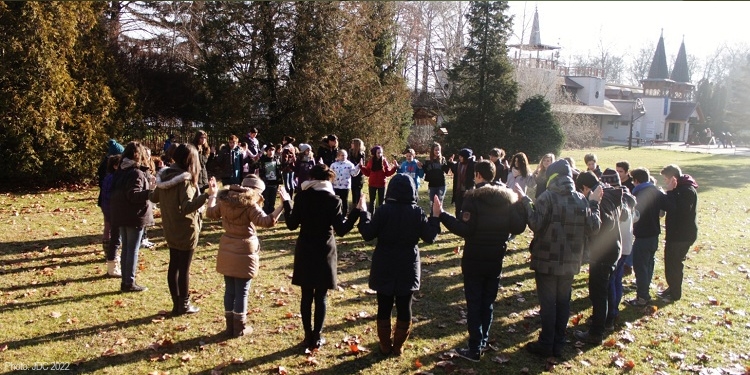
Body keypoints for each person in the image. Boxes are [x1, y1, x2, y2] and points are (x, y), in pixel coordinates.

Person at [436, 160, 526, 361]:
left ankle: (475, 346)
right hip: (495, 258)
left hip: (474, 258)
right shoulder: (506, 199)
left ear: (477, 175)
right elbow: (519, 227)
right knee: (488, 301)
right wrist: (520, 204)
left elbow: (465, 229)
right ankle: (482, 340)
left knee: (475, 302)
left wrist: (442, 215)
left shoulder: (472, 198)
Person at [517, 159, 602, 358]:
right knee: (563, 302)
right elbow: (594, 227)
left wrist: (525, 202)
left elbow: (536, 224)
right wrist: (593, 204)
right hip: (571, 260)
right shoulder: (581, 199)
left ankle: (547, 343)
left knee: (548, 303)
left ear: (552, 177)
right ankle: (559, 342)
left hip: (546, 259)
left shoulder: (547, 197)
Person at [357, 174, 440, 356]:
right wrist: (435, 216)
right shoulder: (416, 211)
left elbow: (368, 233)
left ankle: (386, 345)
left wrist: (364, 213)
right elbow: (430, 237)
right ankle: (397, 345)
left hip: (385, 261)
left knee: (384, 304)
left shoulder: (384, 210)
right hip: (407, 263)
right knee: (404, 305)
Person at [281, 164, 360, 351]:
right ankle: (317, 337)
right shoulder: (334, 200)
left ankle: (308, 335)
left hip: (306, 248)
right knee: (321, 296)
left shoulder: (302, 196)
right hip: (324, 250)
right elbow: (341, 230)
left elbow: (292, 224)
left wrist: (286, 201)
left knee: (306, 294)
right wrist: (357, 211)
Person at [206, 175, 286, 337]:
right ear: (255, 191)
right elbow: (267, 221)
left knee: (229, 290)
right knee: (242, 291)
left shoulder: (225, 199)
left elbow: (210, 212)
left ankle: (230, 327)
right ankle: (240, 327)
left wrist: (212, 194)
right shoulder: (250, 204)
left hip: (227, 246)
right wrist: (282, 206)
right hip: (245, 249)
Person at [150, 144, 215, 316]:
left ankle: (177, 304)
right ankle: (183, 305)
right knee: (183, 269)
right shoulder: (185, 180)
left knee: (174, 266)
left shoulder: (164, 177)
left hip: (170, 226)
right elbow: (187, 207)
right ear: (190, 160)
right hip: (186, 229)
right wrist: (207, 194)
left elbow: (154, 196)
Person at [573, 171, 622, 345]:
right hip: (613, 249)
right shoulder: (609, 193)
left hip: (603, 253)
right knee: (606, 289)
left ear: (585, 188)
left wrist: (592, 205)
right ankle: (607, 322)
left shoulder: (599, 199)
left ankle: (596, 333)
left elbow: (603, 225)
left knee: (598, 293)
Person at [110, 141, 155, 292]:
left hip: (121, 214)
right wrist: (150, 192)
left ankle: (126, 281)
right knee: (132, 250)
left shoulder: (121, 171)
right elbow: (133, 195)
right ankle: (129, 282)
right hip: (134, 215)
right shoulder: (136, 172)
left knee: (126, 249)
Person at [601, 169, 637, 330]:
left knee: (611, 281)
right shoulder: (628, 196)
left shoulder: (615, 199)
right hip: (626, 245)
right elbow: (636, 217)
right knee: (617, 279)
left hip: (617, 246)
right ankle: (613, 311)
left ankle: (611, 313)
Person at [626, 168, 666, 307]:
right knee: (649, 264)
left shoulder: (638, 195)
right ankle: (645, 291)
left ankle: (642, 296)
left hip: (643, 235)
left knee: (640, 266)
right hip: (654, 235)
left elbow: (635, 216)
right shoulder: (657, 192)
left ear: (636, 181)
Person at [659, 165, 698, 302]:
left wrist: (669, 192)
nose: (665, 182)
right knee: (670, 263)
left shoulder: (686, 190)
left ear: (673, 179)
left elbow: (678, 210)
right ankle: (672, 288)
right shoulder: (679, 189)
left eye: (666, 179)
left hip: (681, 235)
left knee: (674, 264)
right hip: (675, 234)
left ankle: (675, 294)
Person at [98, 139, 124, 273]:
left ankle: (109, 253)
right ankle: (109, 254)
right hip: (109, 203)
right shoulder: (110, 175)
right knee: (110, 228)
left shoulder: (107, 170)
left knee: (108, 227)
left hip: (106, 201)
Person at [101, 154, 122, 277]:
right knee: (113, 235)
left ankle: (110, 255)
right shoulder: (113, 179)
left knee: (109, 231)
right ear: (115, 166)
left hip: (108, 208)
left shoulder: (108, 178)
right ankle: (111, 257)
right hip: (112, 210)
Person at [360, 146, 397, 212]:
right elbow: (368, 173)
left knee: (381, 201)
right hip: (372, 184)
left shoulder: (384, 161)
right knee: (372, 201)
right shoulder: (371, 161)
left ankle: (381, 215)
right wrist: (361, 167)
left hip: (382, 184)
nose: (380, 154)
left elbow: (388, 173)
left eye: (381, 153)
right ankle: (371, 216)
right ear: (375, 153)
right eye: (378, 153)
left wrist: (395, 168)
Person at [422, 142, 451, 217]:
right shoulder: (428, 160)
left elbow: (446, 170)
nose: (437, 152)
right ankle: (432, 218)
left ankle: (440, 219)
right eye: (436, 150)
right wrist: (421, 166)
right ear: (432, 151)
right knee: (432, 203)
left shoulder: (442, 159)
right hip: (432, 185)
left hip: (441, 184)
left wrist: (449, 163)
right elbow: (425, 171)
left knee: (439, 202)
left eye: (439, 150)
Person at [446, 148, 476, 217]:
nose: (459, 158)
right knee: (458, 209)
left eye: (461, 157)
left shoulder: (472, 165)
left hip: (467, 190)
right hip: (458, 190)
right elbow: (455, 172)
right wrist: (450, 163)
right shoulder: (458, 164)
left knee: (467, 209)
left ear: (466, 158)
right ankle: (457, 221)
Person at [330, 149, 361, 215]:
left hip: (345, 186)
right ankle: (336, 214)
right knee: (336, 200)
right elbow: (330, 174)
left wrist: (358, 166)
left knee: (344, 200)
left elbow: (354, 173)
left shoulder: (349, 164)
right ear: (338, 156)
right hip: (336, 185)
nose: (344, 157)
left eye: (345, 155)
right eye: (342, 155)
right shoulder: (333, 165)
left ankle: (344, 214)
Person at [258, 146, 283, 214]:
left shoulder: (277, 159)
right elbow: (259, 169)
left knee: (272, 200)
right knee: (266, 200)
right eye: (269, 150)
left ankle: (272, 215)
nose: (271, 152)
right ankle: (265, 214)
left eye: (272, 150)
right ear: (267, 151)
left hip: (274, 183)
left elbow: (280, 170)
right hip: (266, 183)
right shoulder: (263, 160)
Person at [348, 138, 367, 210]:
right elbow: (350, 162)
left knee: (358, 191)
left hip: (359, 175)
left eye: (352, 143)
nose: (351, 145)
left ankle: (359, 206)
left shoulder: (362, 153)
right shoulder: (350, 152)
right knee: (353, 191)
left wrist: (358, 166)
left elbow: (362, 164)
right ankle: (354, 206)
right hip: (352, 173)